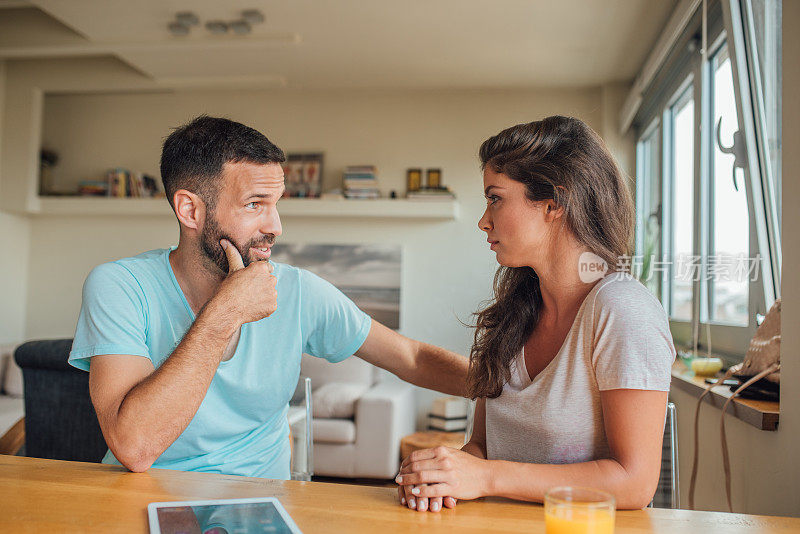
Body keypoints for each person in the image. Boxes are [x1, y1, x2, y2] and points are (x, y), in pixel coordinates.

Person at [68, 115, 468, 479]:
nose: (275, 226)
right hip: (145, 501)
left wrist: (517, 386)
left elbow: (411, 358)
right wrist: (225, 311)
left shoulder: (297, 290)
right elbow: (134, 448)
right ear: (190, 210)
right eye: (254, 204)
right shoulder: (119, 286)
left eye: (275, 205)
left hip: (260, 507)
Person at [396, 116, 675, 512]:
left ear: (553, 203)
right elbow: (483, 446)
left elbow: (634, 483)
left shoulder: (624, 311)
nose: (483, 220)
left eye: (495, 198)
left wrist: (487, 476)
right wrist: (445, 475)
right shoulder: (515, 314)